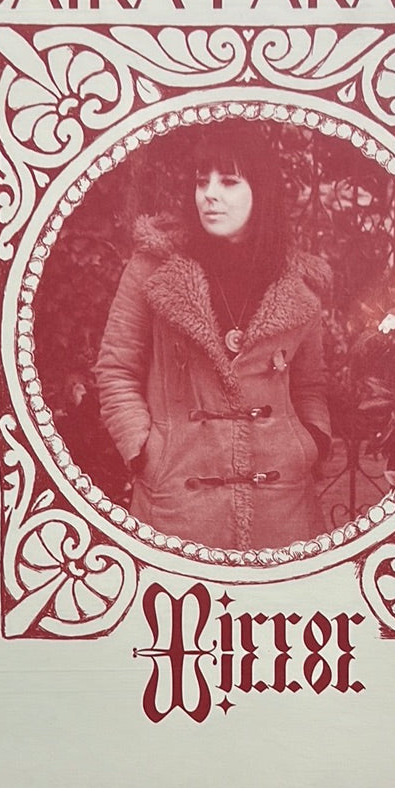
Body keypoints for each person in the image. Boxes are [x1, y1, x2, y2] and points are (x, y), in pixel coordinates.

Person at [94, 122, 331, 552]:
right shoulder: (154, 269)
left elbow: (310, 384)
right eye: (202, 181)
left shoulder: (297, 282)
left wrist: (312, 441)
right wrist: (143, 451)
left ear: (261, 191)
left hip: (283, 507)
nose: (210, 194)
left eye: (229, 181)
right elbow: (116, 369)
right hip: (178, 501)